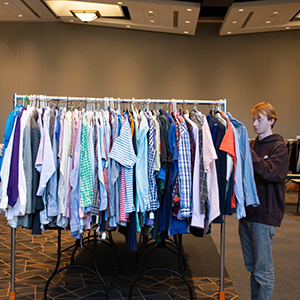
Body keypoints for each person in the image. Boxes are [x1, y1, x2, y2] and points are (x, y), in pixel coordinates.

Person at [238, 102, 289, 300]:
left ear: (272, 120)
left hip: (265, 216)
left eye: (259, 119)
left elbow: (271, 172)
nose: (255, 124)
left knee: (264, 271)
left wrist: (249, 155)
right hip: (247, 213)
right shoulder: (252, 145)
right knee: (252, 268)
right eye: (253, 119)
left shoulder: (279, 147)